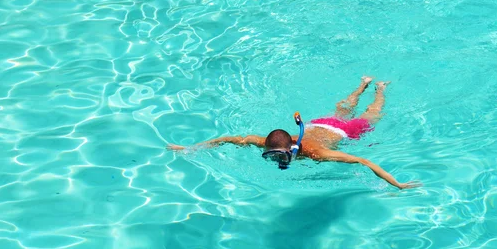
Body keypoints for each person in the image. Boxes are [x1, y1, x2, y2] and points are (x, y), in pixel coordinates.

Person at [167, 77, 419, 190]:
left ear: (291, 148)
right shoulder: (261, 142)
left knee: (370, 115)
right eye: (272, 156)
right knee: (343, 107)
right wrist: (190, 148)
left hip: (343, 131)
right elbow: (228, 139)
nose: (278, 161)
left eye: (280, 156)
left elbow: (363, 160)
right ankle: (362, 83)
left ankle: (378, 88)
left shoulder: (316, 153)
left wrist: (396, 184)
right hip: (319, 123)